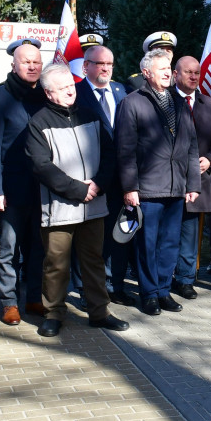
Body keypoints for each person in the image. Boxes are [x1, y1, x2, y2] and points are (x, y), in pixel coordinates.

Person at [27, 64, 129, 337]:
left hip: (94, 206)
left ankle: (99, 312)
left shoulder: (91, 115)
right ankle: (53, 314)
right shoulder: (39, 123)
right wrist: (77, 189)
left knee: (94, 261)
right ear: (49, 94)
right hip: (61, 209)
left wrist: (97, 185)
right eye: (63, 89)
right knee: (56, 264)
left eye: (71, 86)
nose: (71, 92)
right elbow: (41, 166)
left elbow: (109, 154)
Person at [115, 49, 200, 315]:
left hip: (176, 187)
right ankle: (149, 293)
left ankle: (164, 291)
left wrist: (193, 184)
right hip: (148, 189)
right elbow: (125, 150)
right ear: (146, 73)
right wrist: (130, 187)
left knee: (170, 243)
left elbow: (191, 146)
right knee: (147, 244)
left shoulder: (179, 101)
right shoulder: (132, 102)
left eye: (169, 67)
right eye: (162, 68)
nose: (167, 72)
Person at [0, 39, 47, 326]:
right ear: (13, 64)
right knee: (9, 248)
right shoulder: (0, 97)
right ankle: (9, 302)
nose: (33, 66)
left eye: (36, 61)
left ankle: (34, 297)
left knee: (39, 247)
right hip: (11, 188)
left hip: (43, 188)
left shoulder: (47, 94)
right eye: (26, 61)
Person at [75, 45, 133, 306]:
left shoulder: (123, 92)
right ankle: (89, 290)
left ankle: (115, 285)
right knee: (90, 239)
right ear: (85, 66)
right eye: (99, 64)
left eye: (109, 64)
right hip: (91, 179)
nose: (106, 68)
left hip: (120, 179)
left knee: (119, 235)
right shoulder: (76, 93)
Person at [171, 56, 211, 300]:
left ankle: (186, 279)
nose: (193, 76)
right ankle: (164, 276)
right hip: (167, 178)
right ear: (175, 74)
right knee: (166, 232)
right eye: (187, 72)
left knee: (190, 232)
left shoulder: (208, 103)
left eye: (196, 73)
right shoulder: (164, 99)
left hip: (198, 178)